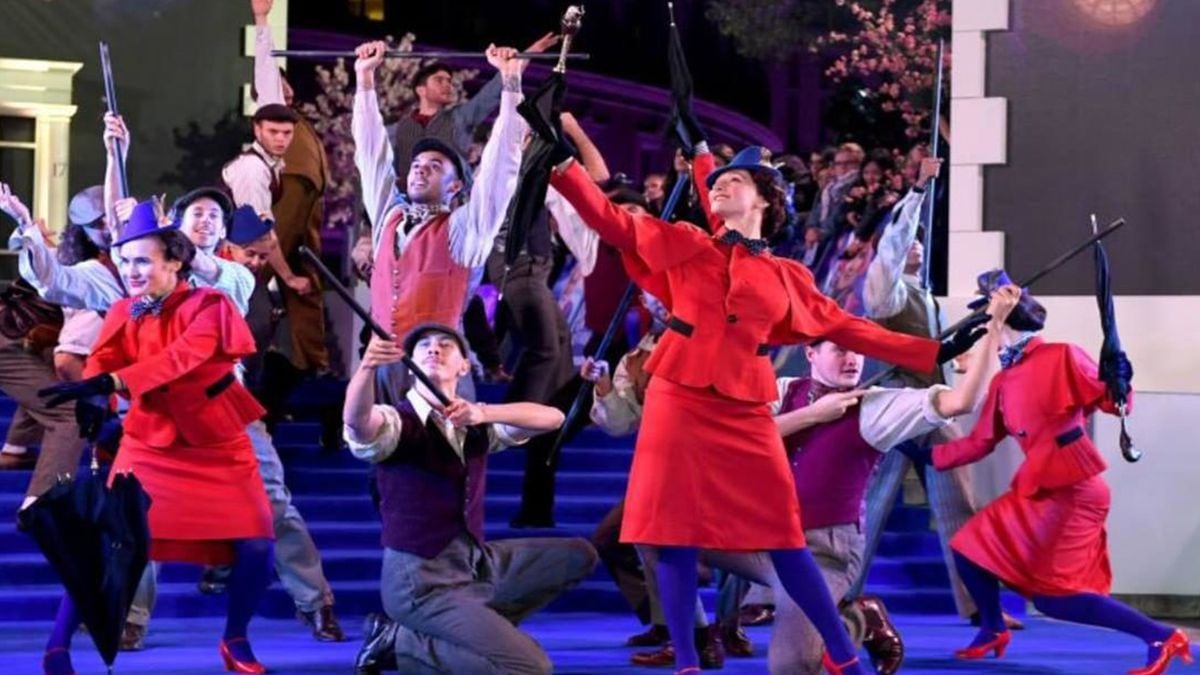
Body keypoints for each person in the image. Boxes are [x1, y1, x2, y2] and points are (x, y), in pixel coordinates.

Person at [545, 130, 986, 674]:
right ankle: (688, 663)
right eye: (716, 182)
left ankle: (844, 657)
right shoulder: (687, 242)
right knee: (670, 534)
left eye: (734, 180)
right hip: (677, 395)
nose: (720, 186)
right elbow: (612, 220)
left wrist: (936, 349)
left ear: (764, 199)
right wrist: (562, 165)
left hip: (745, 402)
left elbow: (846, 326)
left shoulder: (788, 275)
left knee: (783, 532)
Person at [38, 201, 274, 674]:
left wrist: (113, 381)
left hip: (216, 439)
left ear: (175, 262)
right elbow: (104, 357)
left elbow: (181, 358)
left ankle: (235, 639)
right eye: (126, 261)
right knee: (106, 541)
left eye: (143, 261)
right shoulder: (123, 309)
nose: (131, 271)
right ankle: (57, 648)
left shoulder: (211, 304)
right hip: (149, 439)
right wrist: (95, 397)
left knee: (257, 543)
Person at [931, 270, 1191, 675]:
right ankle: (993, 627)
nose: (983, 329)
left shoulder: (1062, 355)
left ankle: (1161, 636)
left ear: (1000, 318)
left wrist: (1120, 381)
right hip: (1037, 488)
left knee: (1055, 597)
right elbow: (979, 442)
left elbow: (1113, 403)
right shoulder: (1003, 380)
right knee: (968, 548)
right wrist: (928, 454)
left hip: (1075, 488)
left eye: (985, 317)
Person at [343, 324, 597, 674]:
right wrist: (367, 369)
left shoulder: (476, 422)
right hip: (421, 582)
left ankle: (471, 632)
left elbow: (553, 418)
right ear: (410, 364)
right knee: (531, 668)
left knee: (578, 554)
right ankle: (402, 644)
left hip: (474, 564)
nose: (434, 349)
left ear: (464, 366)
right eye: (424, 346)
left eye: (445, 344)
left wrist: (484, 413)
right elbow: (357, 422)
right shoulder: (397, 422)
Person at [350, 39, 526, 403]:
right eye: (416, 165)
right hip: (384, 367)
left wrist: (510, 84)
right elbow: (370, 153)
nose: (420, 170)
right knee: (381, 442)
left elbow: (501, 166)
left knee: (447, 443)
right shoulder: (389, 216)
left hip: (438, 371)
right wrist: (364, 79)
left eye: (434, 166)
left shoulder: (463, 229)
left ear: (455, 185)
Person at [248, 0, 331, 374]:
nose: (281, 86)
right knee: (261, 268)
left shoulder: (299, 124)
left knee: (307, 281)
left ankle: (313, 364)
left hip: (308, 207)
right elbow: (264, 66)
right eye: (275, 83)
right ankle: (241, 349)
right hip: (288, 197)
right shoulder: (272, 108)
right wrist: (262, 19)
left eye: (284, 81)